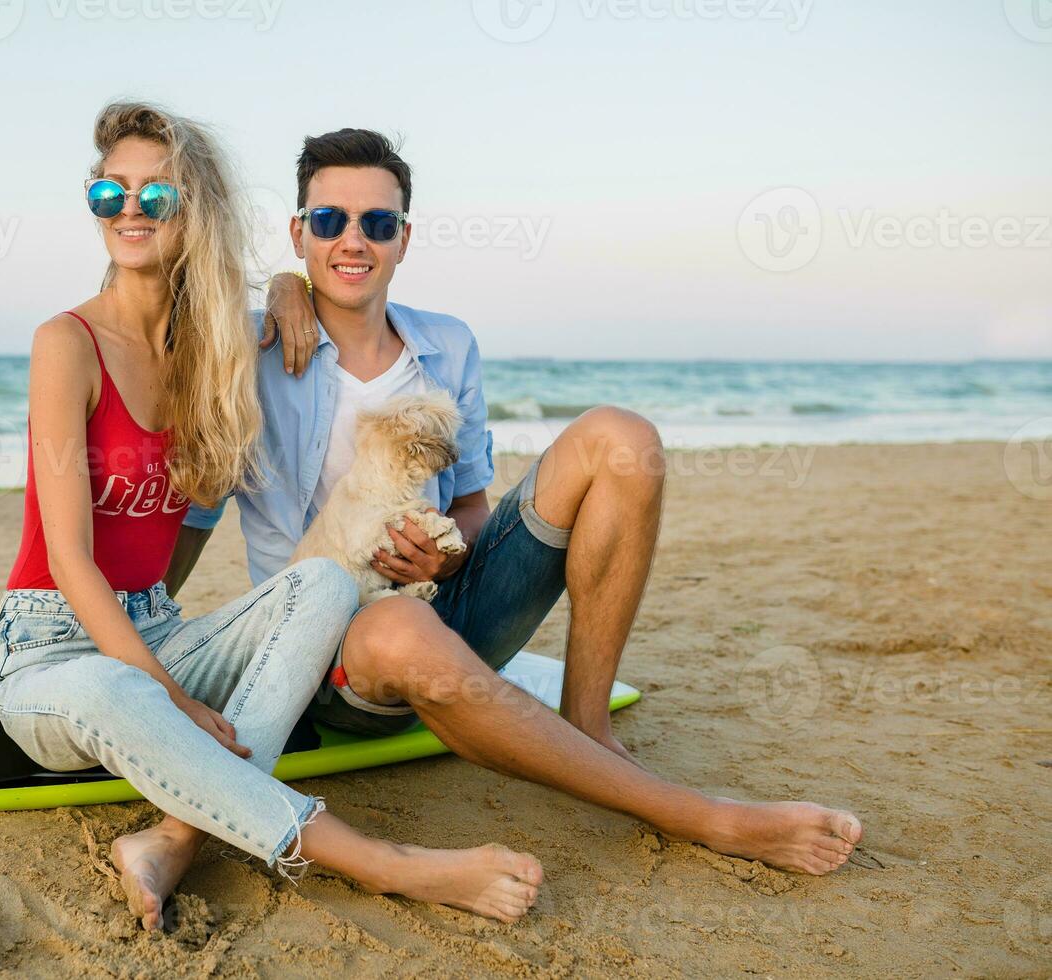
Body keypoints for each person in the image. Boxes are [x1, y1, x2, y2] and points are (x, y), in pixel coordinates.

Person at [170, 128, 864, 877]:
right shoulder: (250, 347)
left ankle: (589, 721)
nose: (353, 240)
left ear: (404, 239)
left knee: (620, 437)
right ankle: (700, 816)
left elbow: (470, 504)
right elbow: (197, 506)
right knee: (398, 624)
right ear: (299, 232)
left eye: (377, 223)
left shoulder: (449, 344)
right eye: (330, 220)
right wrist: (146, 648)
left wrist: (449, 553)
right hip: (338, 652)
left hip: (453, 606)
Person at [0, 103, 544, 933]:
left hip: (154, 627)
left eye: (156, 194)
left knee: (317, 583)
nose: (129, 209)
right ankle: (383, 863)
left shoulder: (211, 349)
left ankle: (173, 840)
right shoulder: (65, 343)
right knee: (117, 687)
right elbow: (70, 558)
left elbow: (295, 290)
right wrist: (171, 695)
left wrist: (290, 285)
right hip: (53, 651)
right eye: (110, 193)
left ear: (196, 210)